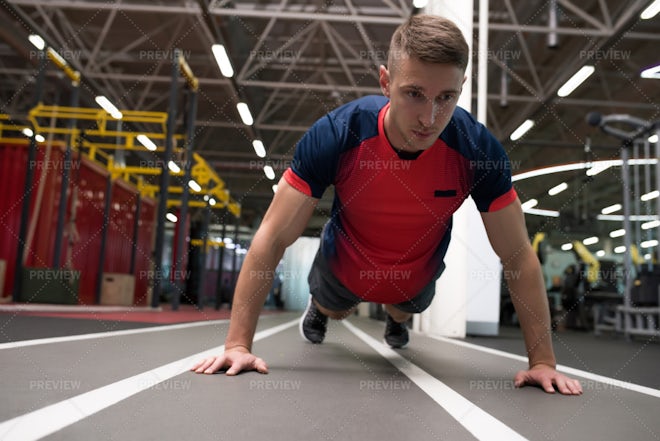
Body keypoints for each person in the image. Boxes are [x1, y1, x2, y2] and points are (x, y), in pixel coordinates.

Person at [192, 14, 583, 395]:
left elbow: (517, 256)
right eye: (414, 94)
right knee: (336, 307)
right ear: (386, 81)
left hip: (416, 275)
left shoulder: (477, 151)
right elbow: (272, 238)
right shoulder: (338, 134)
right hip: (343, 267)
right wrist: (237, 346)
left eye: (446, 98)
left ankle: (396, 321)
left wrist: (542, 362)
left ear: (462, 86)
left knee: (404, 307)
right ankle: (321, 309)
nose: (429, 118)